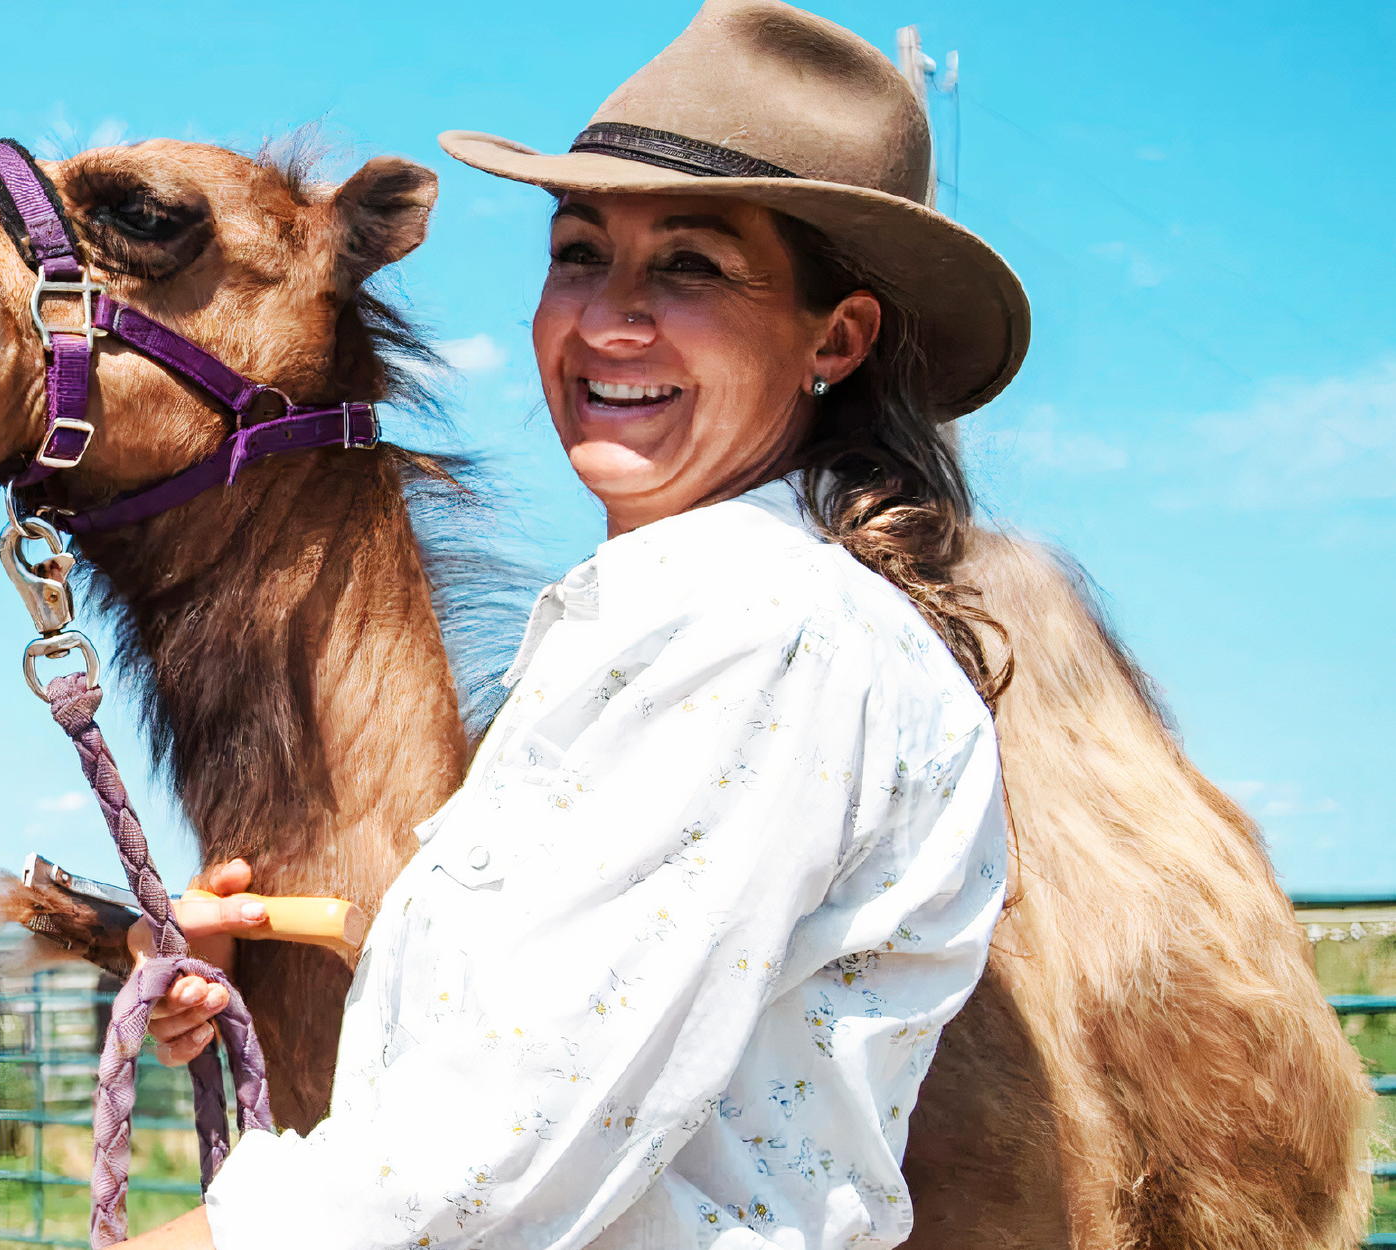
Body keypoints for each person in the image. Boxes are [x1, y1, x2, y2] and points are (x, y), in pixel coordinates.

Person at [122, 0, 1026, 1244]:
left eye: (691, 267)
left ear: (836, 336)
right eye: (578, 252)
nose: (606, 319)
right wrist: (263, 961)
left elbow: (480, 1166)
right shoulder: (651, 627)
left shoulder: (757, 632)